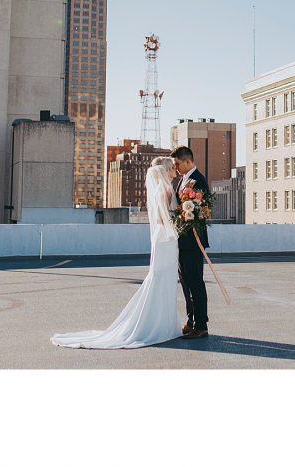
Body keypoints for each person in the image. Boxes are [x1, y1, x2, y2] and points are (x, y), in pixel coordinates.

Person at [50, 156, 182, 349]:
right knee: (162, 277)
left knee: (162, 277)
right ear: (164, 171)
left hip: (162, 238)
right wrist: (180, 225)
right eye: (172, 168)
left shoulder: (160, 190)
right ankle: (157, 324)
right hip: (166, 238)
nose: (174, 171)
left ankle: (162, 322)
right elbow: (164, 218)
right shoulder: (165, 190)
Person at [171, 145, 210, 338]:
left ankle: (201, 324)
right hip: (182, 241)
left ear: (188, 161)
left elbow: (201, 211)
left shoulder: (198, 180)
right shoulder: (183, 180)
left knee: (195, 283)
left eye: (178, 164)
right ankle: (191, 320)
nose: (176, 167)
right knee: (186, 283)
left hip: (193, 241)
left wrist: (187, 214)